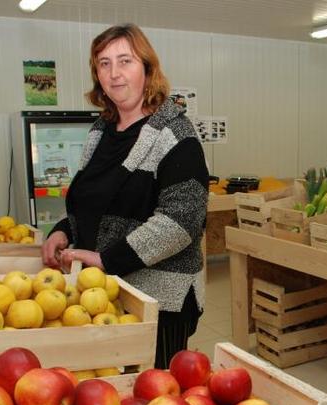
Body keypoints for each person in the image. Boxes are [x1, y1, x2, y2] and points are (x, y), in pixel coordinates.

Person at [41, 24, 208, 369]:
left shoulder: (174, 133)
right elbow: (91, 201)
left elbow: (182, 221)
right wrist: (63, 230)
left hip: (161, 300)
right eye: (104, 63)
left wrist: (106, 260)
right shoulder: (100, 130)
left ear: (147, 68)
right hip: (105, 293)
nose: (114, 74)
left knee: (154, 403)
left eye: (125, 61)